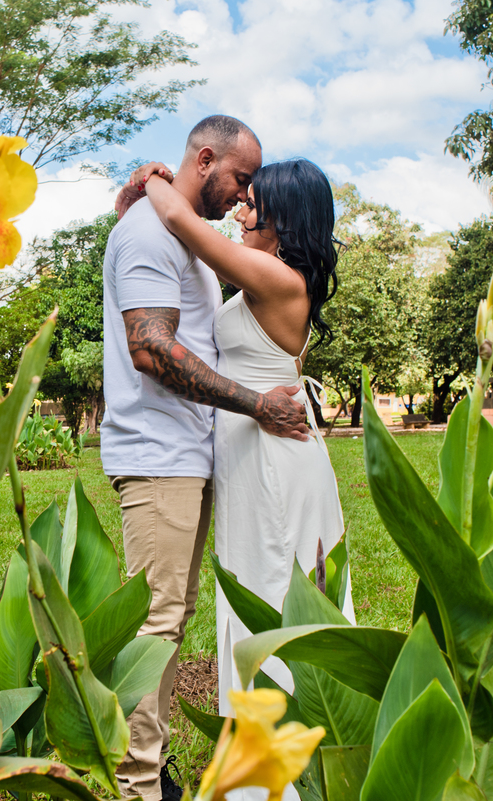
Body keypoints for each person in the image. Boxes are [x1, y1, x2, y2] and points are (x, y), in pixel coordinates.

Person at [128, 156, 353, 801]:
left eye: (254, 203)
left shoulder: (279, 279)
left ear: (284, 218)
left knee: (274, 595)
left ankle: (277, 775)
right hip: (253, 459)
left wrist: (156, 180)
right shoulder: (262, 274)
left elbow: (179, 217)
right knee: (250, 594)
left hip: (276, 464)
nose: (240, 210)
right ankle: (264, 768)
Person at [100, 115, 311, 801]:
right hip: (159, 457)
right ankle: (137, 784)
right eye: (240, 179)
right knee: (156, 622)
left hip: (192, 457)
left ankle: (151, 768)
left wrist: (151, 187)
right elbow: (152, 350)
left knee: (172, 617)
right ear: (207, 157)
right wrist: (255, 404)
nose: (243, 197)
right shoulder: (146, 234)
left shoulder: (187, 240)